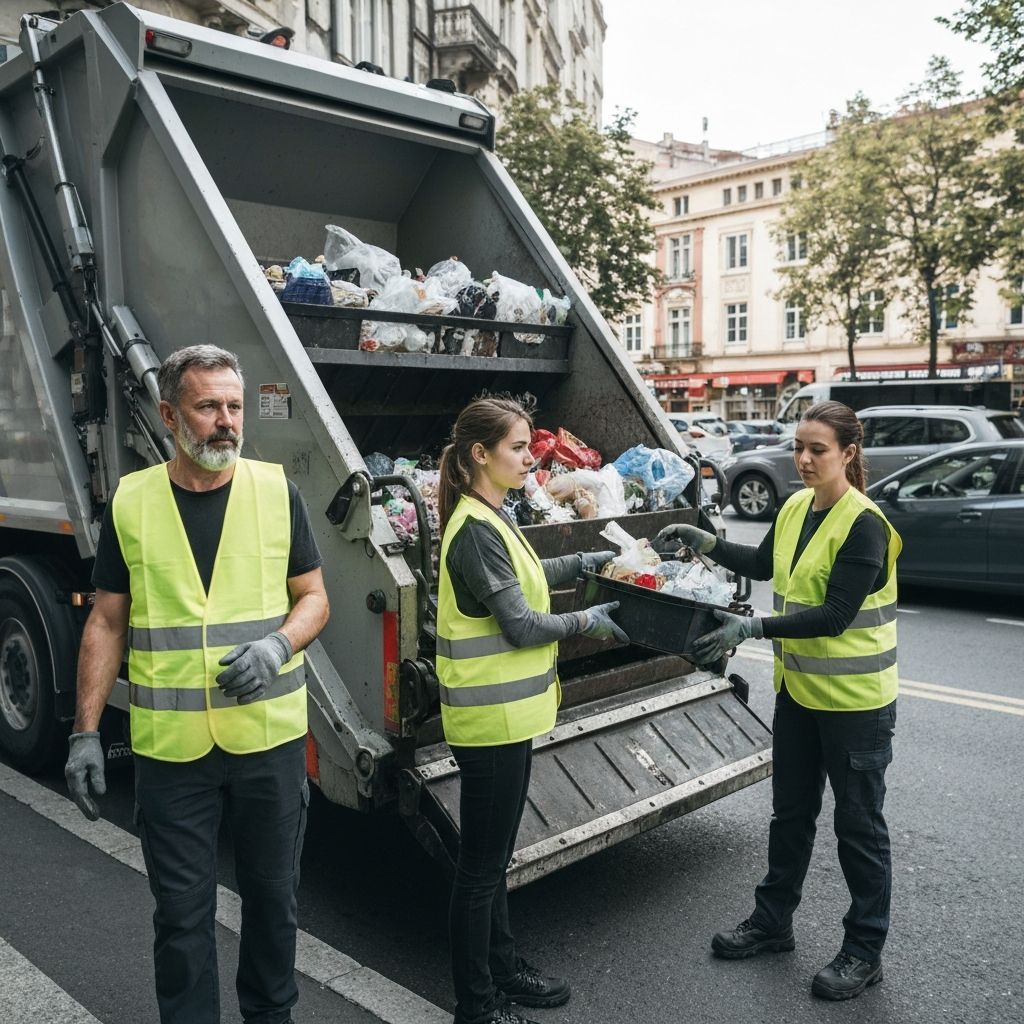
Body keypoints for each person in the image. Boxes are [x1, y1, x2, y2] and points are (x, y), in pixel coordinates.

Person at [64, 345, 330, 1024]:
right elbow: (106, 619)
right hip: (171, 753)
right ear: (169, 414)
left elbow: (314, 600)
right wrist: (85, 733)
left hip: (267, 743)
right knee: (182, 922)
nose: (225, 421)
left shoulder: (277, 492)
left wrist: (278, 644)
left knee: (274, 907)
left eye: (234, 406)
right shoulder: (134, 500)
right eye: (207, 406)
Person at [656, 400, 901, 1002]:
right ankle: (772, 923)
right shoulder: (794, 506)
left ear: (848, 453)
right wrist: (705, 540)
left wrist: (751, 629)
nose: (805, 458)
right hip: (798, 695)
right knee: (790, 817)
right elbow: (762, 563)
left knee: (858, 829)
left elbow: (836, 616)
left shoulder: (863, 523)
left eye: (818, 449)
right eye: (799, 447)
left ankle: (864, 951)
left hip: (856, 706)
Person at [437, 394, 627, 1024]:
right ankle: (479, 1004)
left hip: (508, 720)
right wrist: (588, 622)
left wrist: (588, 561)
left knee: (492, 865)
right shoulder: (472, 529)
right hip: (489, 725)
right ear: (478, 455)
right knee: (481, 870)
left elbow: (528, 573)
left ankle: (504, 968)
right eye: (518, 448)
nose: (530, 456)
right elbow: (519, 623)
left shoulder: (491, 517)